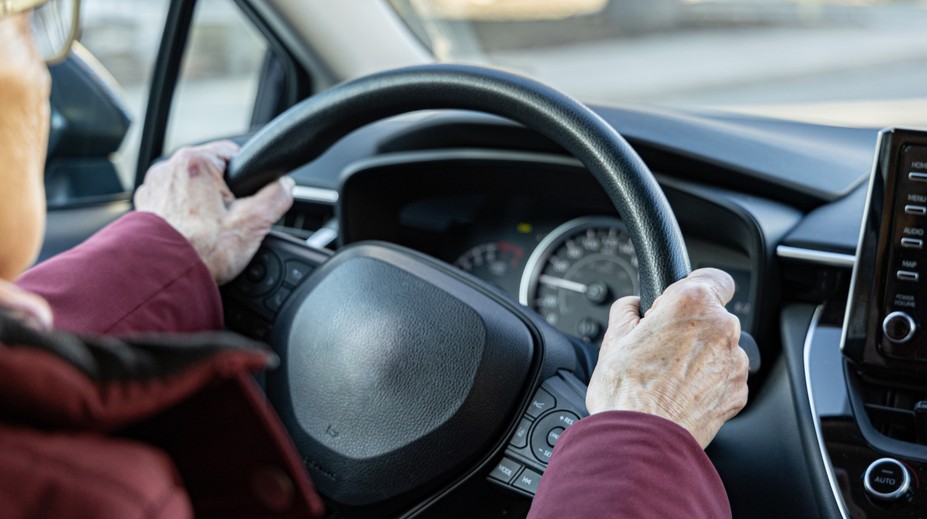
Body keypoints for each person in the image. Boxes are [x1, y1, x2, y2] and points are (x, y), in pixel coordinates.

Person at [0, 3, 748, 518]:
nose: (39, 58)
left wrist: (164, 251)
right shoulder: (100, 494)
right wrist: (642, 432)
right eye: (23, 17)